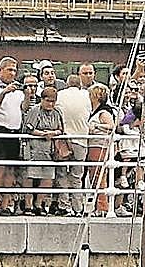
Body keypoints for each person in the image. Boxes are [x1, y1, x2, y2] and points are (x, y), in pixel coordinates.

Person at [0, 57, 25, 215]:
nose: (12, 73)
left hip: (14, 131)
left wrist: (27, 95)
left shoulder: (18, 89)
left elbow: (24, 108)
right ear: (0, 70)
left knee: (10, 169)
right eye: (9, 69)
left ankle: (6, 204)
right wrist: (4, 92)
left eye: (14, 70)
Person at [23, 86, 63, 215]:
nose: (50, 104)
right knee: (30, 176)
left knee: (47, 178)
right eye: (48, 101)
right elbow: (28, 128)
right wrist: (41, 134)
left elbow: (61, 129)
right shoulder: (35, 110)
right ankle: (28, 204)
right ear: (42, 99)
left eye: (53, 101)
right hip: (34, 148)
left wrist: (53, 133)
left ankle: (39, 204)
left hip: (49, 150)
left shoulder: (57, 112)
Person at [55, 74, 92, 216]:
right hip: (81, 139)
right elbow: (88, 113)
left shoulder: (60, 95)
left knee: (62, 174)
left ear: (67, 84)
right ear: (80, 84)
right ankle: (78, 207)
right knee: (77, 176)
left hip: (64, 138)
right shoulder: (86, 95)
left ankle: (64, 205)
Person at [86, 82, 116, 215]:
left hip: (99, 145)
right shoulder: (94, 112)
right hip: (94, 145)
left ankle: (102, 206)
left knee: (98, 175)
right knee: (94, 175)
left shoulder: (103, 112)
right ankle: (98, 204)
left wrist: (97, 127)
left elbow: (112, 126)